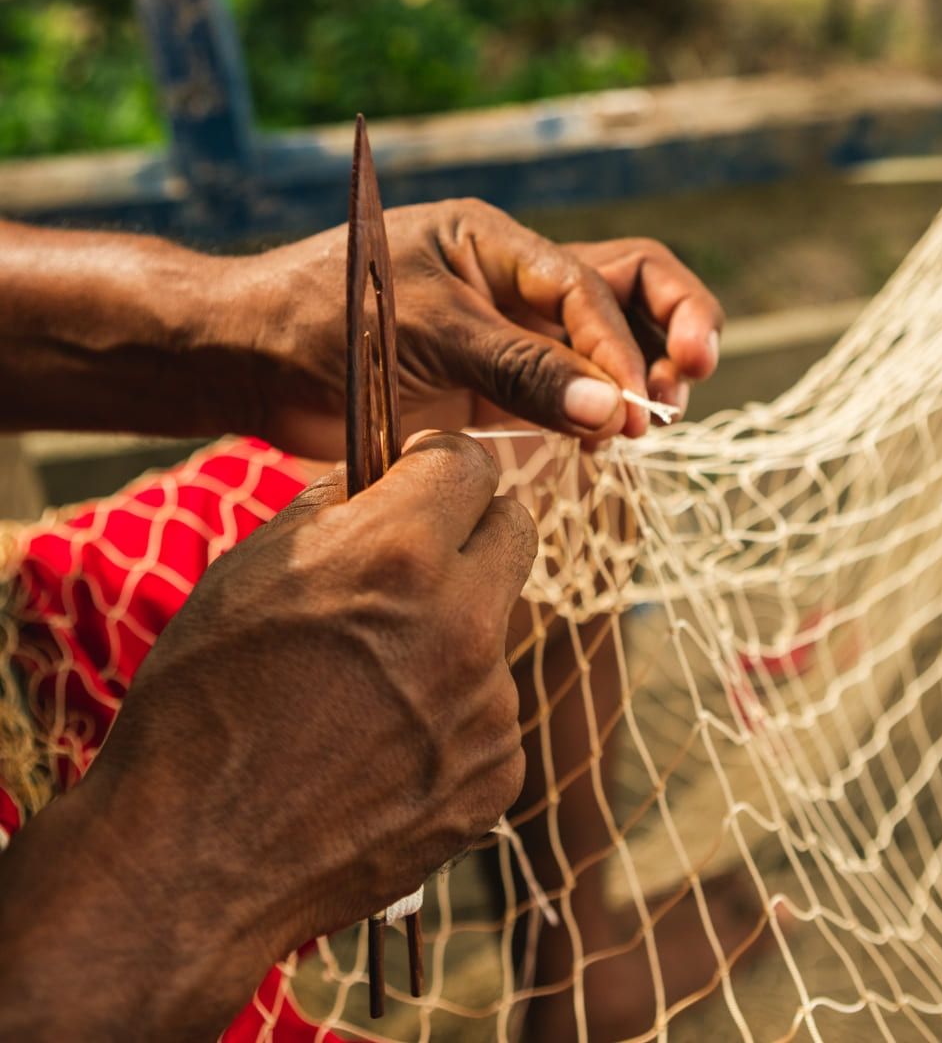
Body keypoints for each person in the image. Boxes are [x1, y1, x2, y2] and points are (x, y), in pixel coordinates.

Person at [0, 199, 725, 1041]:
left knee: (539, 464)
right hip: (73, 980)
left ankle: (576, 985)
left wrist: (240, 320)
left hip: (25, 635)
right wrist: (203, 843)